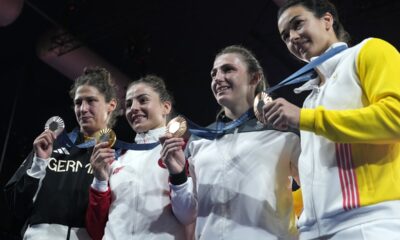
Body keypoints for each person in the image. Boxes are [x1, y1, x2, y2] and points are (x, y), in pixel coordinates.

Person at [263, 0, 400, 239]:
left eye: (298, 24)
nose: (292, 37)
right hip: (315, 231)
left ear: (327, 20)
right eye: (285, 36)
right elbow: (321, 174)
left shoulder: (369, 51)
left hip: (368, 222)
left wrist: (305, 118)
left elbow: (395, 119)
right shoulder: (310, 99)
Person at [160, 45, 301, 239]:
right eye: (213, 74)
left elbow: (315, 192)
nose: (217, 78)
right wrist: (177, 175)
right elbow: (187, 215)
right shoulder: (200, 139)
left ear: (254, 78)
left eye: (228, 69)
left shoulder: (283, 131)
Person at [4, 66, 119, 239]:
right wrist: (38, 164)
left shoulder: (119, 156)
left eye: (91, 101)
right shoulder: (50, 146)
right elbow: (14, 206)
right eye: (78, 102)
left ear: (111, 105)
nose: (83, 109)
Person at [86, 75, 192, 240]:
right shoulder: (116, 160)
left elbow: (188, 216)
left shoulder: (185, 151)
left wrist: (178, 175)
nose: (133, 108)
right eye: (128, 104)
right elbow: (95, 229)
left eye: (143, 100)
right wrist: (99, 180)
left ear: (166, 107)